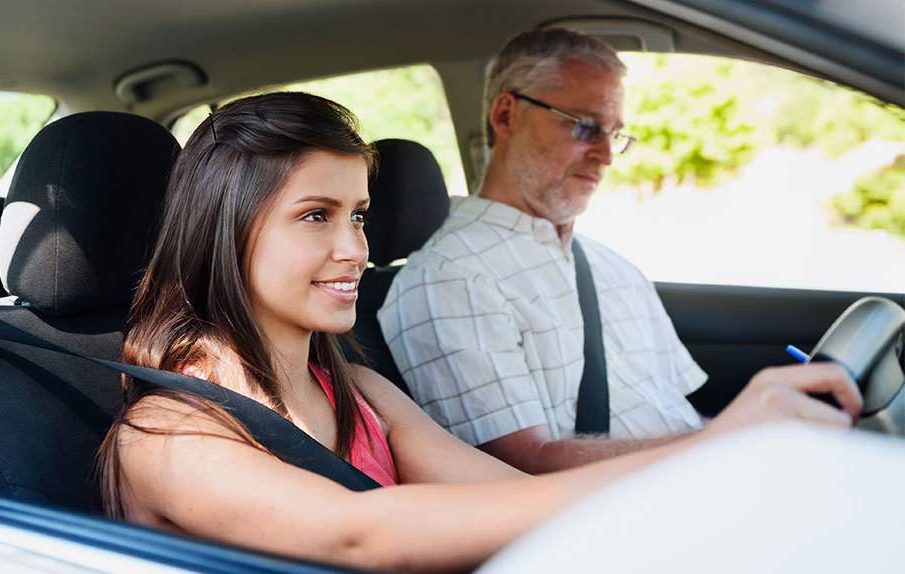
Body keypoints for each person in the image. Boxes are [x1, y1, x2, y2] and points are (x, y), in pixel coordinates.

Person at [97, 91, 862, 573]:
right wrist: (721, 443)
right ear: (225, 235)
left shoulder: (357, 389)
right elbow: (361, 535)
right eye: (315, 217)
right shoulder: (166, 433)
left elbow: (515, 500)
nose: (356, 249)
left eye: (358, 215)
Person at [378, 28, 707, 473]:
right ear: (507, 115)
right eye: (586, 127)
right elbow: (522, 467)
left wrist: (764, 437)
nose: (607, 154)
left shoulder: (612, 266)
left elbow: (675, 414)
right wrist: (720, 444)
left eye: (614, 134)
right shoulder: (451, 276)